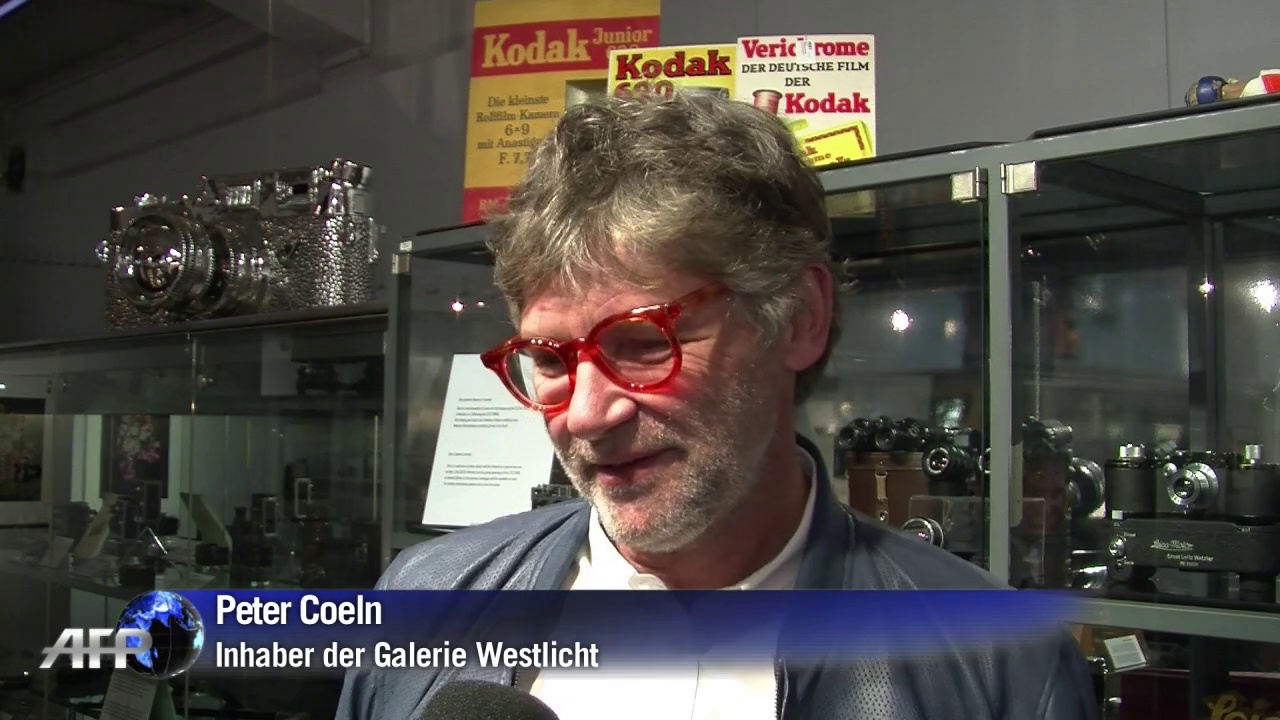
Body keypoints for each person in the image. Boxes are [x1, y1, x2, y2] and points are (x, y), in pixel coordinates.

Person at [337, 91, 1096, 720]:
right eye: (548, 359)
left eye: (643, 342)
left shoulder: (1000, 664)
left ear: (798, 318)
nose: (587, 416)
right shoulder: (425, 599)